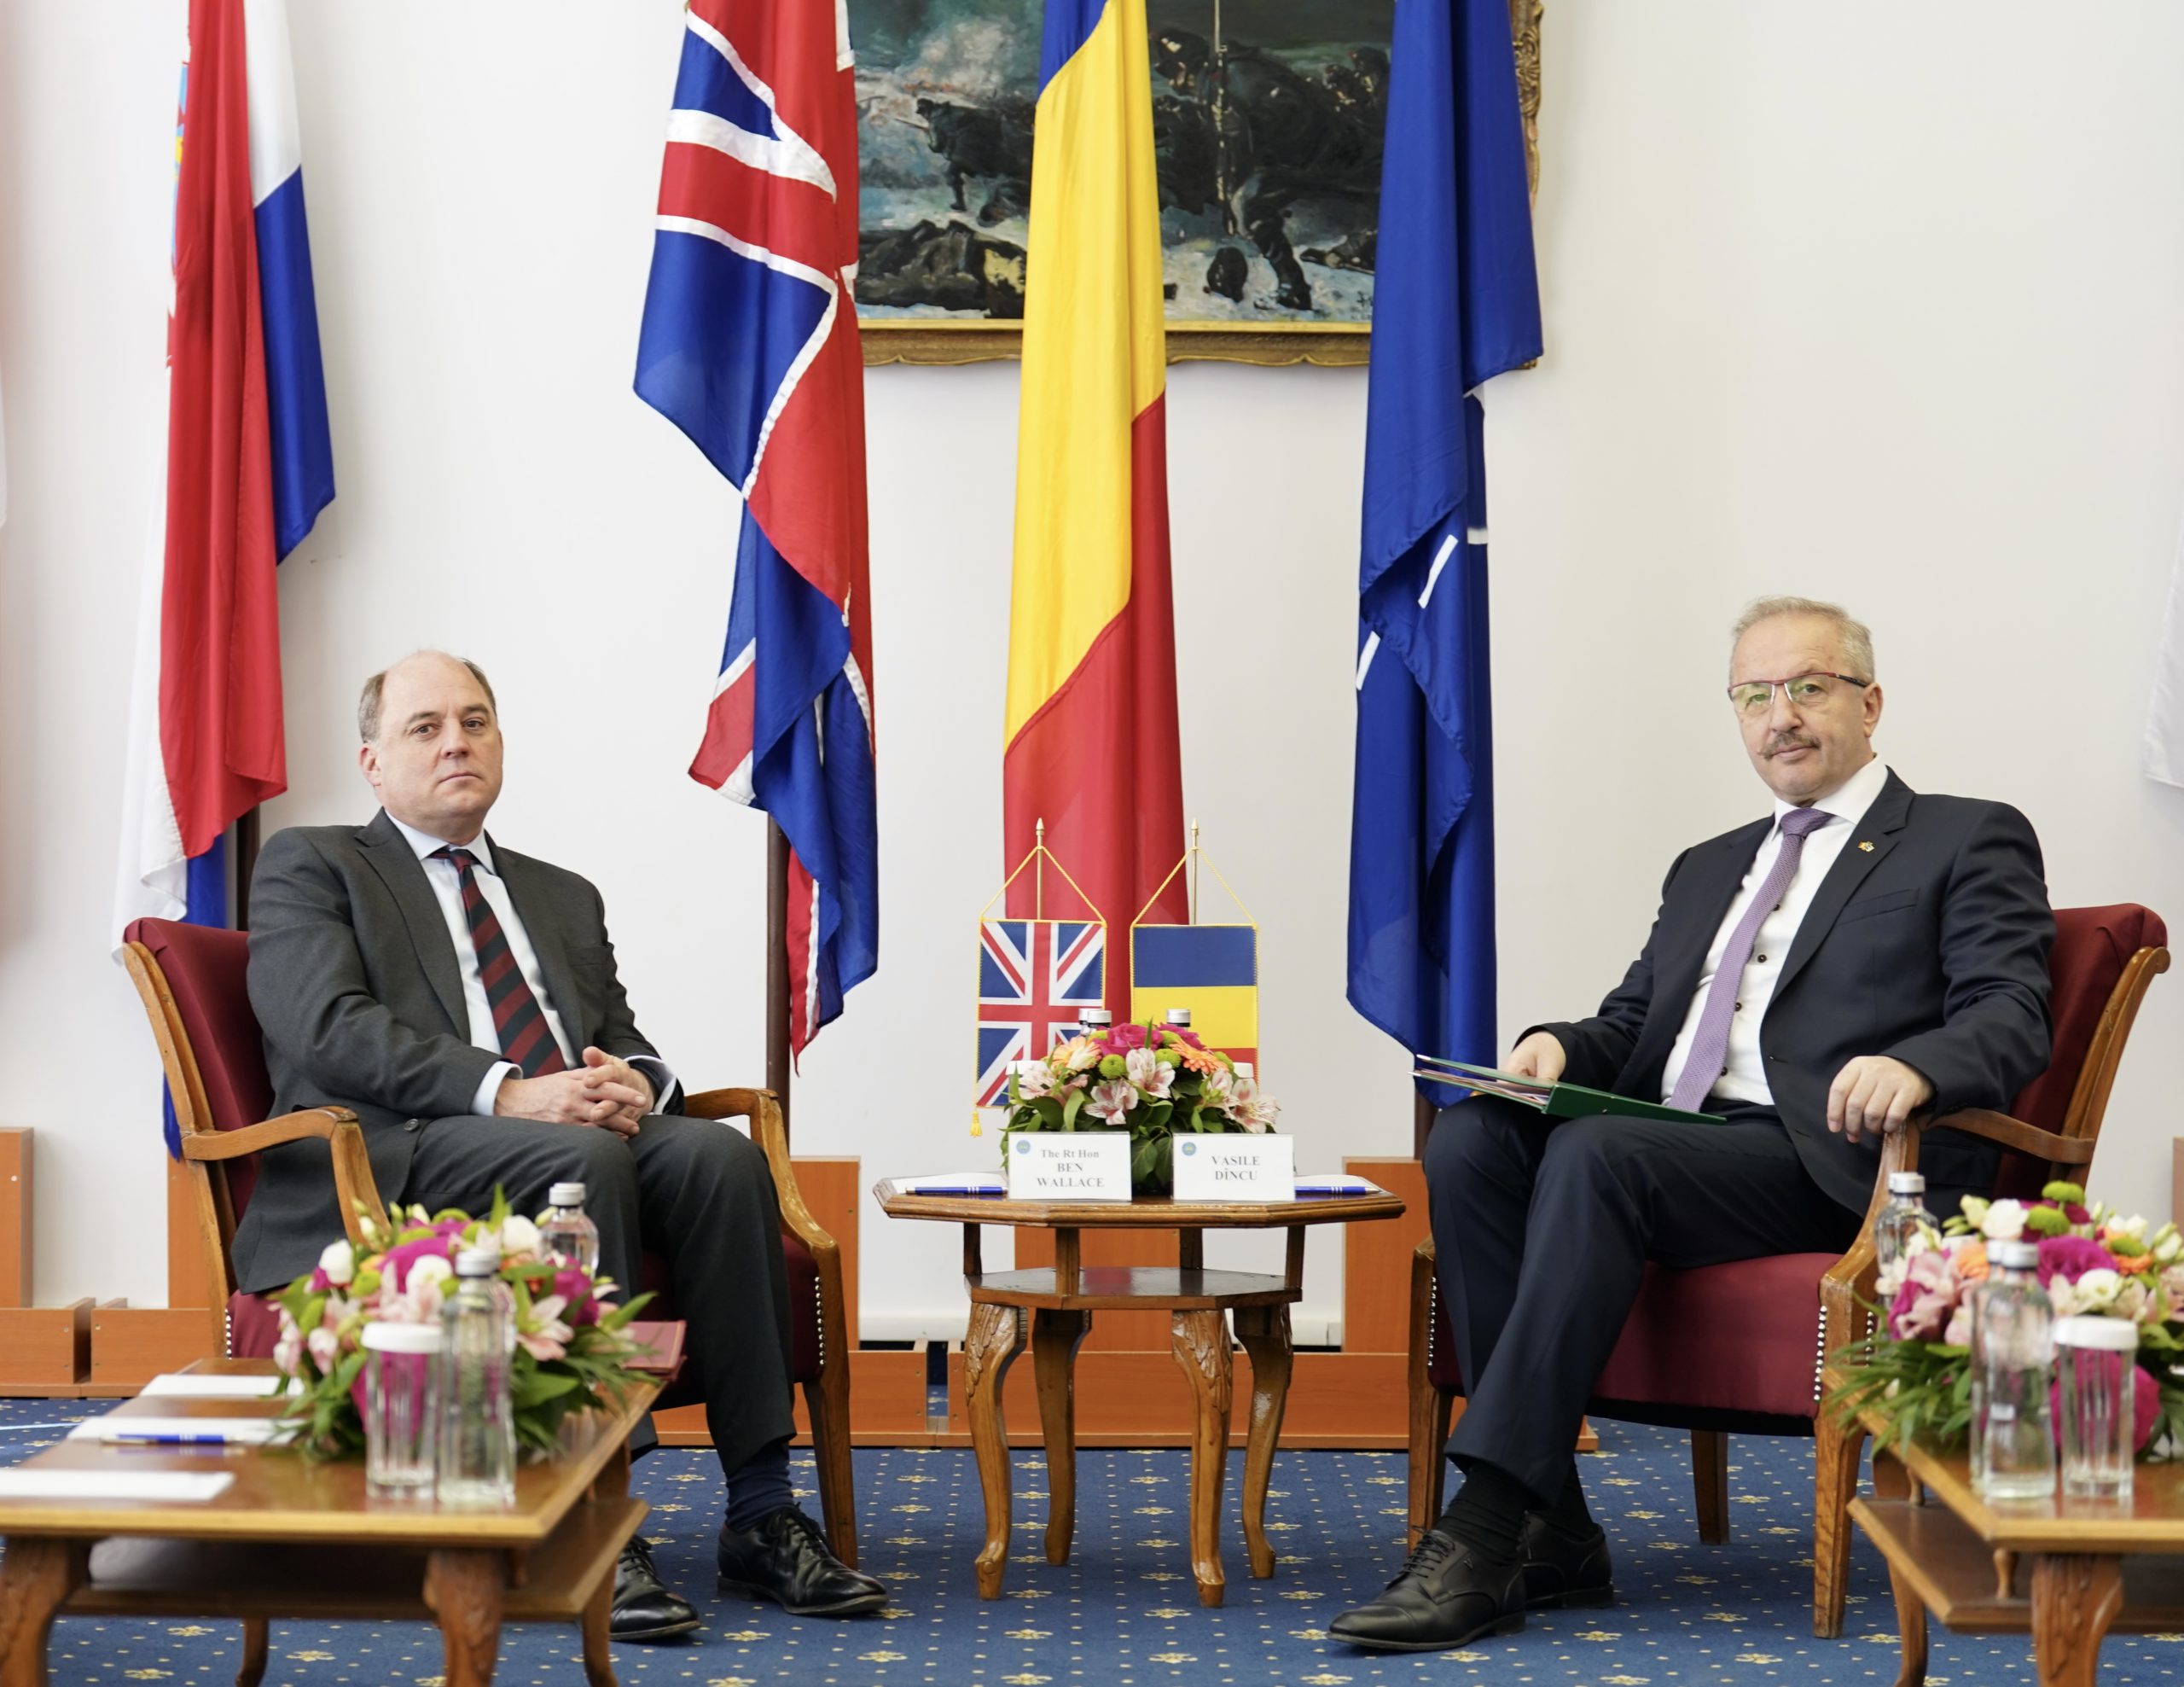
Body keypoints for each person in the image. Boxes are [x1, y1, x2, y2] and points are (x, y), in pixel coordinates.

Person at [1332, 598, 2053, 1653]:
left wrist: (1914, 1064)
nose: (1779, 716)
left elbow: (2011, 1011)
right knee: (1478, 1139)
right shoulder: (1708, 863)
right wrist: (1558, 1049)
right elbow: (1635, 1024)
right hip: (1678, 1145)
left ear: (1869, 703)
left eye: (1806, 687)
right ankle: (1556, 1526)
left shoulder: (1963, 834)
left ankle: (1486, 1526)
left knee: (1601, 1153)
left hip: (1832, 1161)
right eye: (1753, 696)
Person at [236, 651, 886, 1641]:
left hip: (566, 1136)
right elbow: (329, 1029)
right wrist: (510, 1092)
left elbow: (616, 1033)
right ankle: (592, 1511)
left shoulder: (559, 894)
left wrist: (637, 1083)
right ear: (372, 762)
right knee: (582, 1163)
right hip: (393, 1153)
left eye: (475, 721)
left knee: (718, 1159)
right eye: (425, 727)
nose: (456, 742)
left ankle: (760, 1511)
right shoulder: (313, 865)